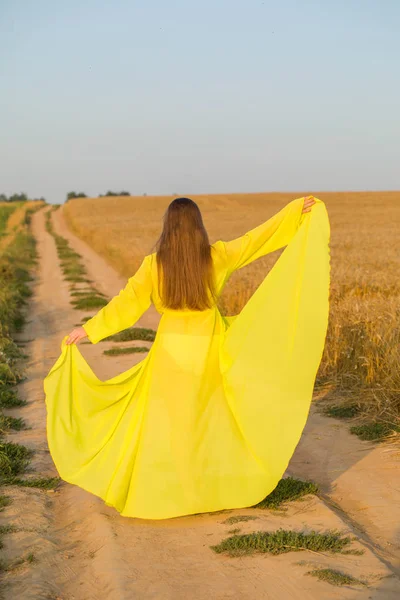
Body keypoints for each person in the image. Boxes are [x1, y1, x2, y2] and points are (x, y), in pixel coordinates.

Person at [43, 194, 330, 520]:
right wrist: (294, 214)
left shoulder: (153, 266)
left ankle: (169, 493)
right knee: (206, 421)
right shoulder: (217, 257)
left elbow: (125, 306)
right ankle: (209, 488)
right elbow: (257, 240)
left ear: (167, 228)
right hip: (208, 349)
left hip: (170, 353)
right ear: (198, 227)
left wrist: (89, 330)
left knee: (171, 425)